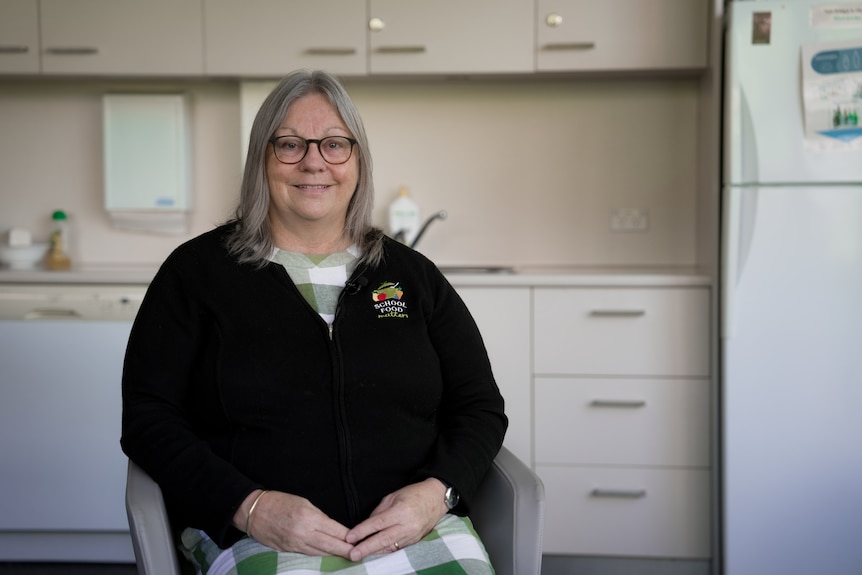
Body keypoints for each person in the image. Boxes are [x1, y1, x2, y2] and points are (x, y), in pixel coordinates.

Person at [120, 69, 507, 575]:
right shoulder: (196, 274)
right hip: (258, 535)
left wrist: (435, 496)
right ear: (263, 158)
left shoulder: (412, 277)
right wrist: (251, 506)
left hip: (415, 528)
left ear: (358, 160)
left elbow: (479, 407)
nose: (313, 163)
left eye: (333, 145)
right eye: (289, 145)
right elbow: (149, 418)